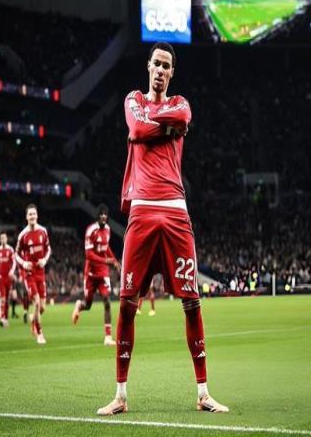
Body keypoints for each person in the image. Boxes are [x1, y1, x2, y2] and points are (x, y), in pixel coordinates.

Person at [97, 42, 228, 415]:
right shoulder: (133, 99)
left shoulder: (182, 104)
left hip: (175, 211)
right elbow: (137, 126)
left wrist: (151, 128)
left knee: (192, 303)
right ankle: (120, 396)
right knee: (127, 303)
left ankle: (203, 393)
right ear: (148, 66)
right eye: (155, 63)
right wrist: (162, 127)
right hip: (141, 211)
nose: (159, 70)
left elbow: (169, 123)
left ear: (172, 72)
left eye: (166, 66)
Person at [72, 204, 120, 346]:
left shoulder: (108, 229)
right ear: (97, 216)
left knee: (107, 300)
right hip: (91, 273)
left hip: (103, 272)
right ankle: (79, 305)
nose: (103, 216)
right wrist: (106, 260)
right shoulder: (91, 231)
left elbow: (106, 247)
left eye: (105, 214)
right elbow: (89, 255)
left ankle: (108, 337)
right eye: (101, 214)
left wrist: (114, 261)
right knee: (88, 304)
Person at [15, 204, 51, 344]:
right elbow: (16, 254)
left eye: (34, 214)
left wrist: (45, 260)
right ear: (26, 217)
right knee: (36, 302)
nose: (32, 216)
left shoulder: (43, 231)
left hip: (41, 272)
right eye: (30, 214)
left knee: (42, 307)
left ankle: (33, 319)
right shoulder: (22, 235)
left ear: (37, 215)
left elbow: (48, 249)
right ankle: (39, 334)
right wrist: (24, 263)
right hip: (29, 273)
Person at [0, 232, 16, 328]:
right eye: (1, 238)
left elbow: (14, 262)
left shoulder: (10, 249)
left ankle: (6, 318)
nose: (3, 240)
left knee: (7, 299)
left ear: (7, 239)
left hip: (9, 278)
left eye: (4, 238)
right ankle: (2, 318)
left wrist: (12, 271)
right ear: (0, 240)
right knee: (2, 299)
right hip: (1, 278)